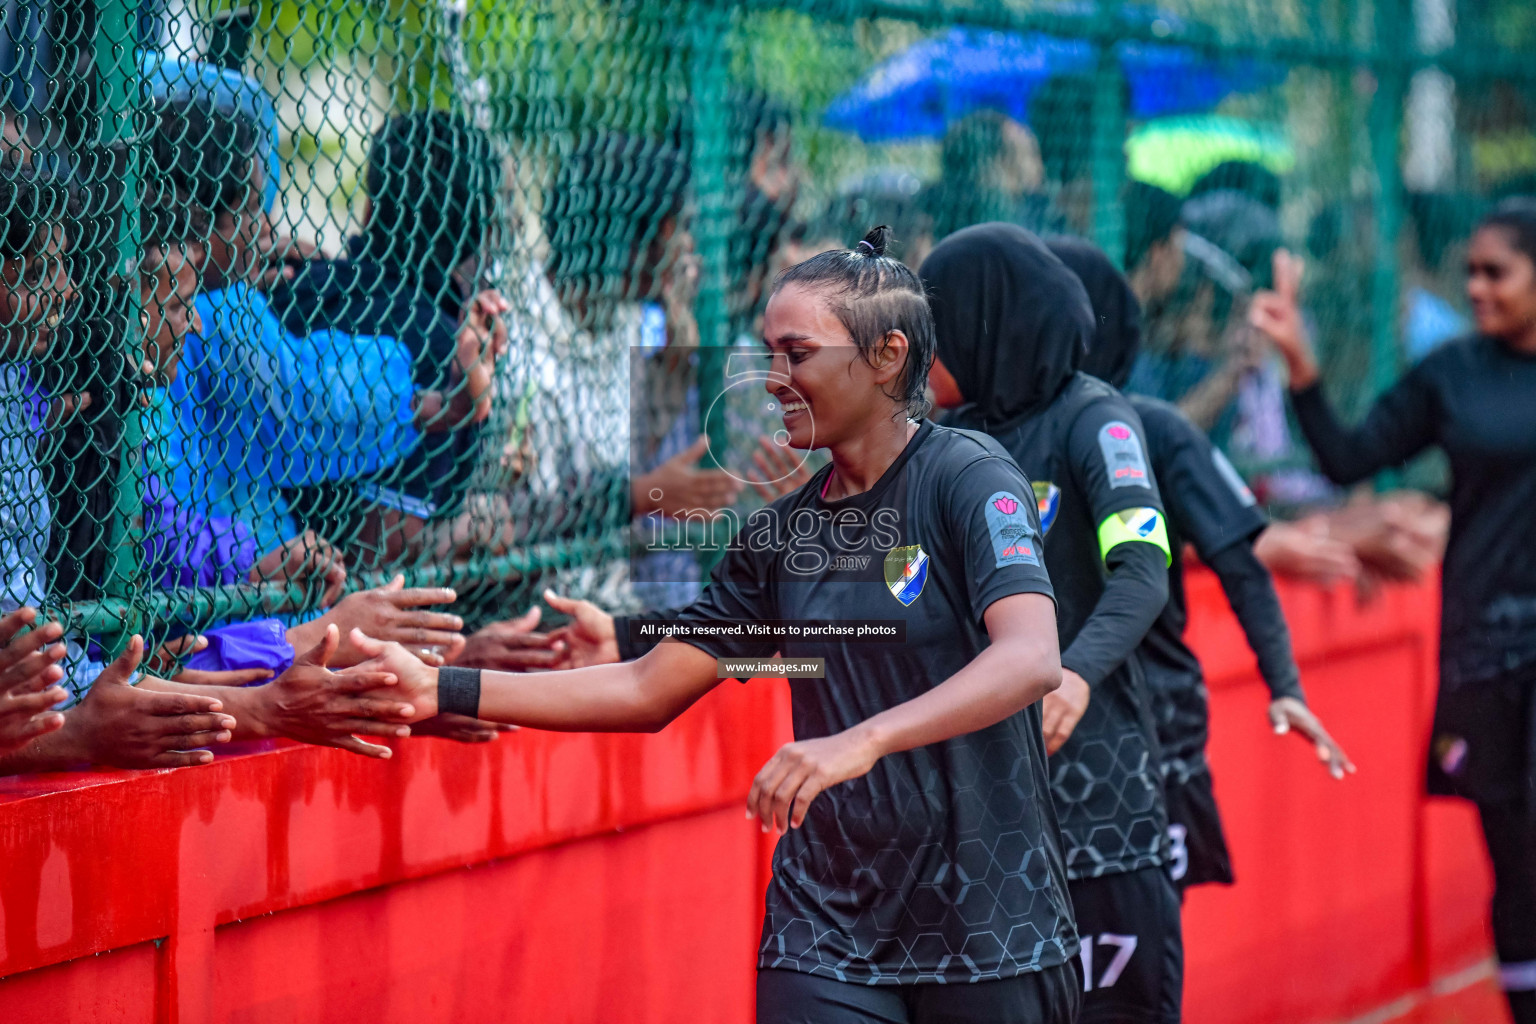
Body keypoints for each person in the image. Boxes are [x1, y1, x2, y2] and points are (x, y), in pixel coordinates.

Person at [347, 227, 1082, 1024]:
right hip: (826, 926)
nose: (770, 380)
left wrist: (861, 739)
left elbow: (1032, 658)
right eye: (767, 354)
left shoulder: (968, 475)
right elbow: (646, 686)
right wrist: (439, 687)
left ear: (886, 356)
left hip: (987, 922)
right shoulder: (778, 534)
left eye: (795, 354)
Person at [1248, 198, 1536, 1024]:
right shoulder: (1452, 374)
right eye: (1471, 271)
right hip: (1482, 649)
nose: (1477, 288)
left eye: (1498, 273)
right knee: (1511, 859)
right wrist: (1301, 363)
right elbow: (1347, 457)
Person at [922, 223, 1179, 1023]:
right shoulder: (944, 444)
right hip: (980, 828)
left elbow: (1142, 574)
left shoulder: (1093, 419)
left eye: (931, 330)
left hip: (1098, 808)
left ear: (983, 321)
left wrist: (1074, 671)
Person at [1051, 235, 1353, 895]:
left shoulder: (1152, 430)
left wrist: (1285, 685)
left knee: (1140, 925)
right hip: (1040, 725)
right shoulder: (980, 436)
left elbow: (1239, 559)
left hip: (1150, 721)